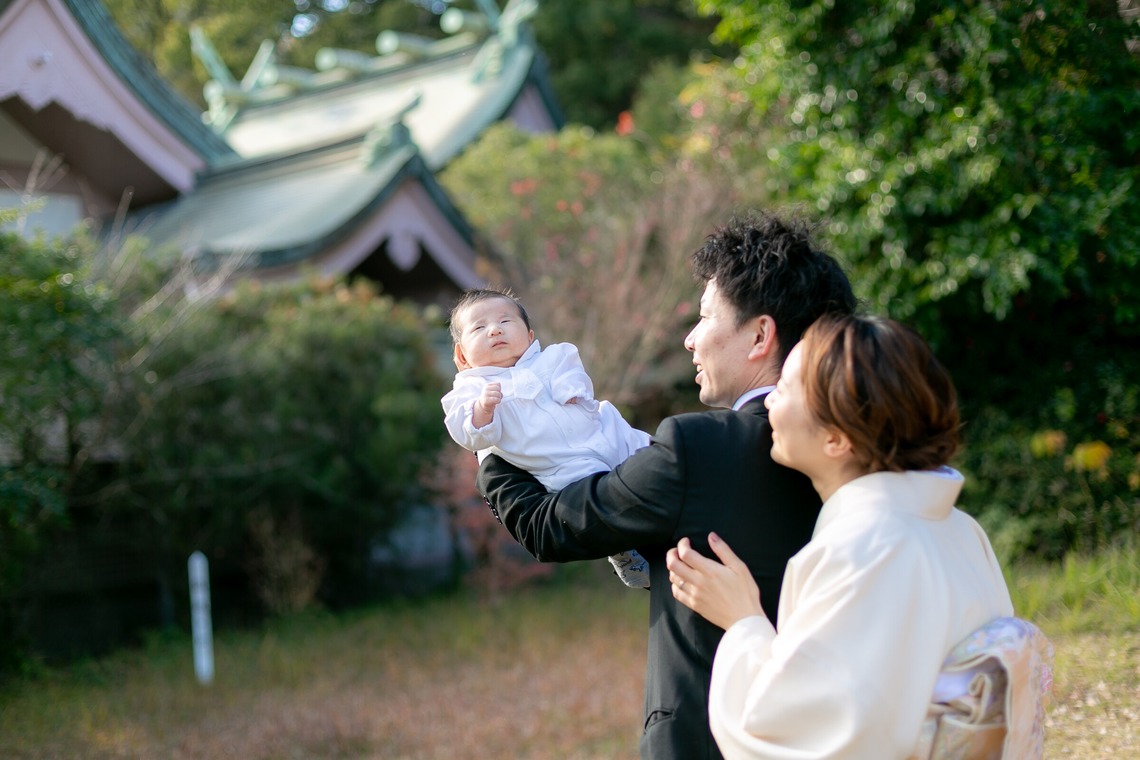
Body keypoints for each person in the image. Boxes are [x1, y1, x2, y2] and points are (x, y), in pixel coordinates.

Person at [477, 213, 858, 759]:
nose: (690, 338)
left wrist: (493, 444)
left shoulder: (695, 448)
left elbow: (551, 528)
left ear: (759, 334)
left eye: (704, 318)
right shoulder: (864, 444)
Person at [666, 314, 1030, 759]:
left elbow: (798, 735)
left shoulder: (863, 549)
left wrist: (744, 621)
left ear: (837, 438)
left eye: (785, 388)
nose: (770, 400)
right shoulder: (959, 529)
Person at [443, 287, 653, 588]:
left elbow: (573, 373)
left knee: (647, 454)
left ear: (529, 336)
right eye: (479, 327)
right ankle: (625, 552)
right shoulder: (470, 391)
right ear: (461, 356)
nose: (495, 331)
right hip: (559, 464)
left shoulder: (553, 357)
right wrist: (483, 409)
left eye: (505, 321)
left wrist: (572, 389)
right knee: (599, 499)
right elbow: (467, 433)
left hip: (602, 431)